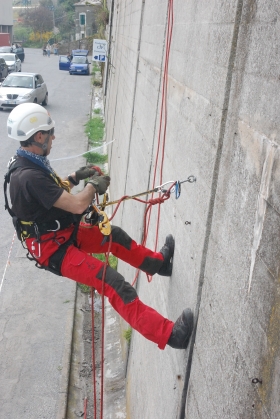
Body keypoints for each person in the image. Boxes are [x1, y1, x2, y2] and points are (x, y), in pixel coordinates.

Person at [4, 103, 193, 351]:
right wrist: (93, 184)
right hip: (55, 251)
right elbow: (77, 206)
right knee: (113, 283)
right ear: (39, 136)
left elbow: (53, 193)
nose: (54, 137)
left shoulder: (27, 161)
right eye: (50, 133)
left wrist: (75, 177)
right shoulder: (28, 176)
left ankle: (158, 264)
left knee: (112, 236)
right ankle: (170, 335)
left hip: (59, 234)